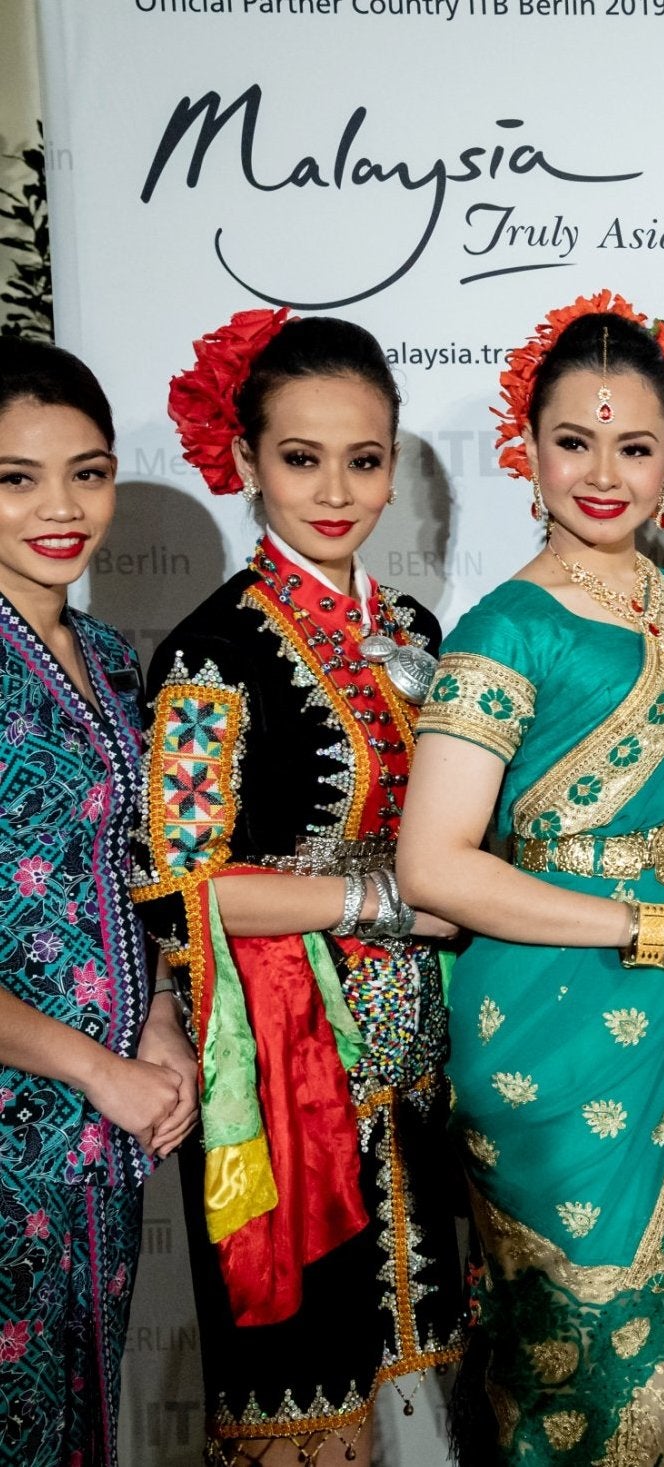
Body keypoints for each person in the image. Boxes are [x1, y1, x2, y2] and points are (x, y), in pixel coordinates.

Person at [397, 290, 664, 1467]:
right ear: (529, 451)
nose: (603, 474)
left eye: (634, 447)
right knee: (580, 1377)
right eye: (575, 443)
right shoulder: (503, 632)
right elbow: (435, 866)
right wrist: (658, 927)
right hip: (550, 1030)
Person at [133, 310, 465, 1466]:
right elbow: (178, 895)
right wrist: (377, 905)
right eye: (300, 458)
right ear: (244, 462)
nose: (335, 491)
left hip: (422, 1060)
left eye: (364, 460)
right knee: (308, 1384)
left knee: (429, 1360)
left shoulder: (416, 635)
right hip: (282, 1081)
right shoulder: (212, 651)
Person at [0, 341, 196, 1467]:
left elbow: (138, 872)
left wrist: (159, 1024)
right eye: (17, 478)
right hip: (23, 1121)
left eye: (89, 471)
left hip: (101, 1141)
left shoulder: (118, 661)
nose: (61, 508)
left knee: (80, 1421)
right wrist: (94, 1066)